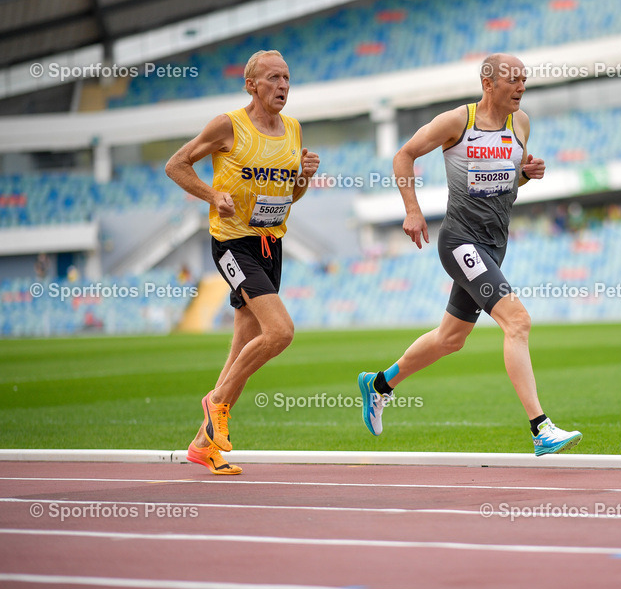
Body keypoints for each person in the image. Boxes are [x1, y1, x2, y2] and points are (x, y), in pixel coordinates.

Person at [357, 53, 582, 456]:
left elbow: (504, 184)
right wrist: (412, 209)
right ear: (488, 83)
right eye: (513, 79)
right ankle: (540, 429)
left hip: (495, 245)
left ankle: (378, 385)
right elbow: (403, 155)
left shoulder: (522, 123)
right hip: (460, 241)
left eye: (524, 80)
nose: (521, 87)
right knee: (518, 321)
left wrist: (525, 176)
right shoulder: (456, 122)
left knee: (450, 339)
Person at [165, 50, 319, 474]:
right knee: (281, 331)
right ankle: (216, 403)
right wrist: (213, 195)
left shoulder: (293, 129)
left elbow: (290, 196)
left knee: (241, 351)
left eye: (287, 77)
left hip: (271, 244)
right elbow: (175, 164)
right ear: (251, 85)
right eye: (273, 78)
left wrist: (303, 175)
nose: (283, 86)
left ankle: (202, 445)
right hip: (233, 245)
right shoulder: (227, 125)